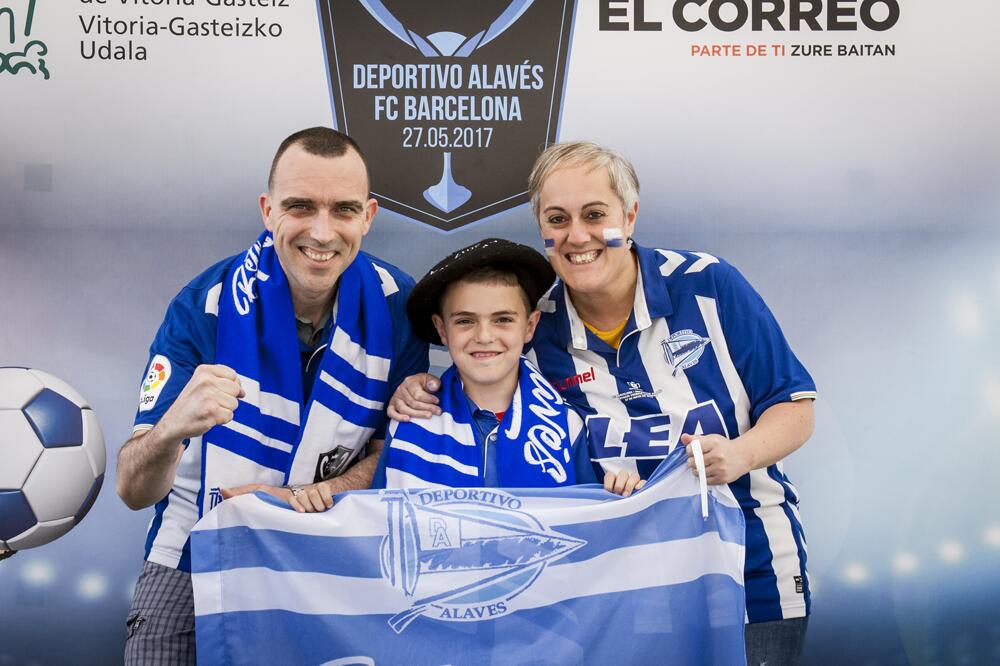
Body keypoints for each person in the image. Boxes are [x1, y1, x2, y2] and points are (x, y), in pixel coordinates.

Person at [388, 141, 817, 665]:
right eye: (557, 219)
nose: (577, 236)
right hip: (623, 585)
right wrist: (419, 389)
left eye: (595, 215)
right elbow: (478, 385)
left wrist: (741, 454)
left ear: (629, 216)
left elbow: (795, 408)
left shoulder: (708, 285)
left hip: (749, 571)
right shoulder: (536, 328)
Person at [116, 127, 428, 665]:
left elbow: (396, 457)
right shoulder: (204, 305)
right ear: (267, 210)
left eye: (343, 209)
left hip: (326, 553)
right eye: (300, 206)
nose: (322, 232)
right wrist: (171, 429)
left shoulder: (399, 306)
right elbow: (132, 489)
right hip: (193, 553)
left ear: (368, 217)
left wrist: (308, 495)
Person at [372, 238, 596, 490]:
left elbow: (587, 508)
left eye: (503, 320)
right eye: (465, 321)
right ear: (442, 329)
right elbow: (383, 510)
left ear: (530, 326)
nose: (484, 336)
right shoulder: (411, 424)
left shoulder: (565, 425)